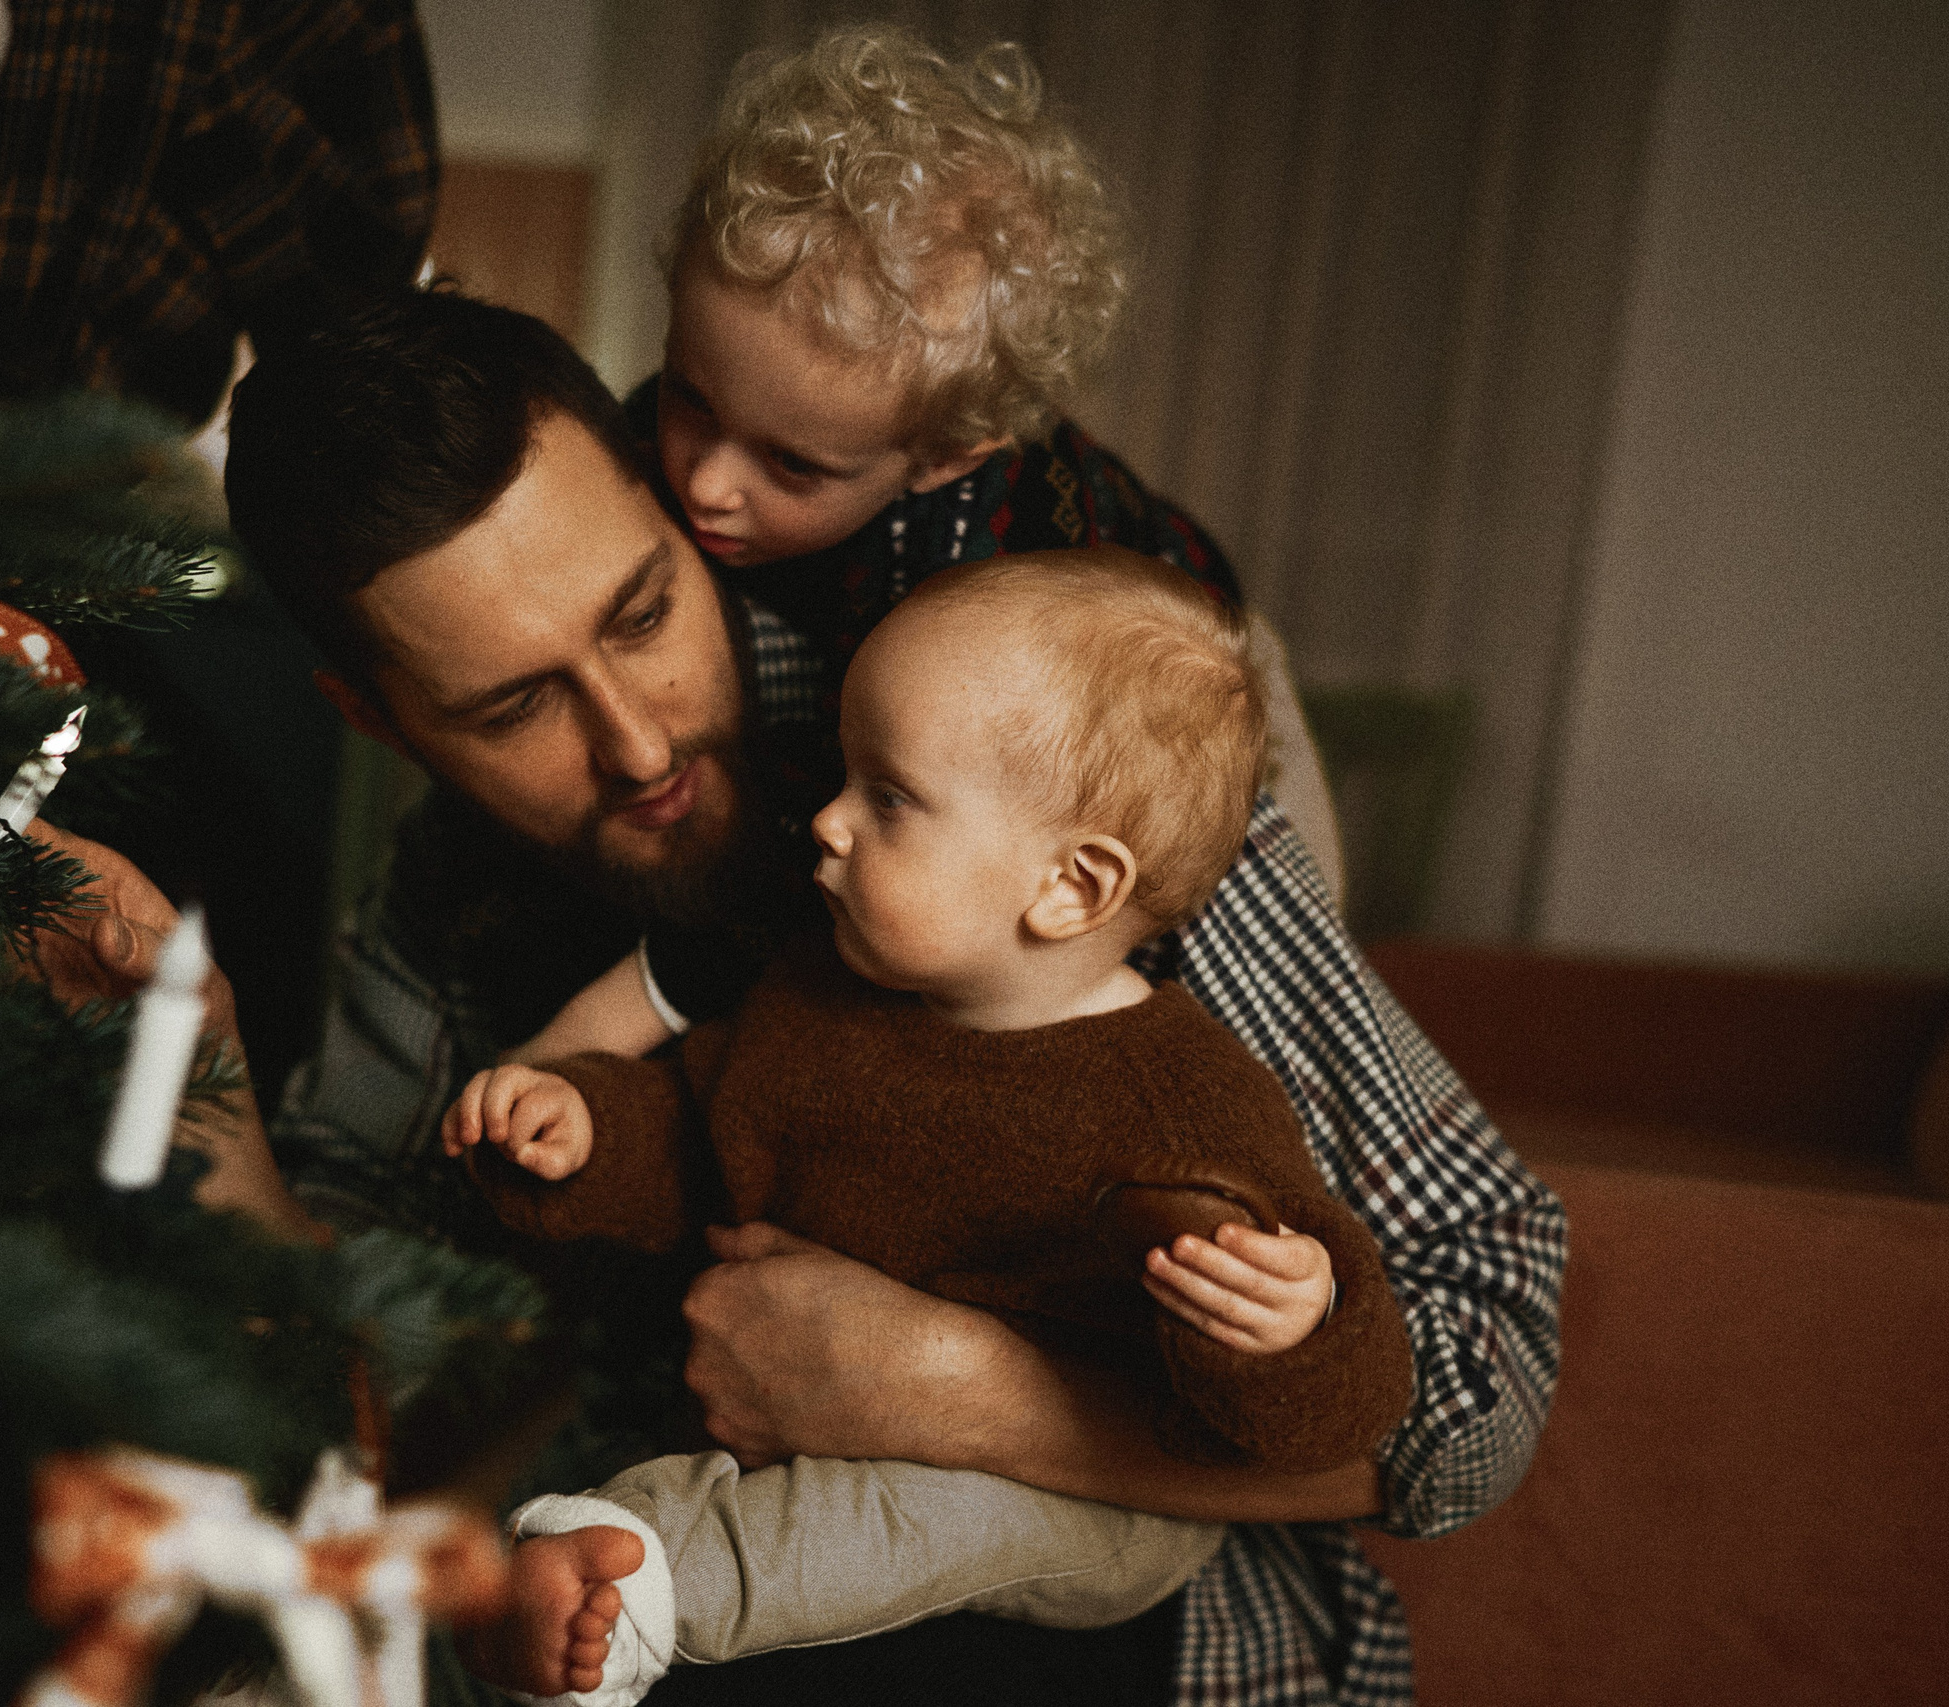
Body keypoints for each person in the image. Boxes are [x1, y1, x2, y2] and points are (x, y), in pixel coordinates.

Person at [225, 286, 1566, 1707]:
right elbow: (352, 1374)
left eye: (643, 613)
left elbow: (1489, 1382)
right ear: (377, 717)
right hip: (656, 1599)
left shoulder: (1039, 758)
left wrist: (972, 1392)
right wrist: (200, 1096)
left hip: (1139, 1643)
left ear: (687, 516)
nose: (634, 741)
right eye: (512, 710)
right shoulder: (450, 899)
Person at [442, 553, 1413, 1702]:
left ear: (1071, 887)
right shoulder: (817, 1001)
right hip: (798, 1446)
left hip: (1091, 1508)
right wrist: (580, 1132)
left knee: (928, 1511)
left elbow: (1349, 1401)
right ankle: (593, 1564)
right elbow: (699, 1139)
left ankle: (655, 1586)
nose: (829, 821)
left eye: (888, 797)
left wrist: (1294, 1321)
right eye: (846, 779)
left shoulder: (1180, 1097)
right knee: (754, 1494)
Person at [509, 25, 1345, 1069]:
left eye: (793, 467)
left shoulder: (978, 579)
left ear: (942, 456)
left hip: (1191, 669)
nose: (708, 480)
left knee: (1208, 922)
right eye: (690, 396)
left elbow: (830, 824)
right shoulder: (686, 445)